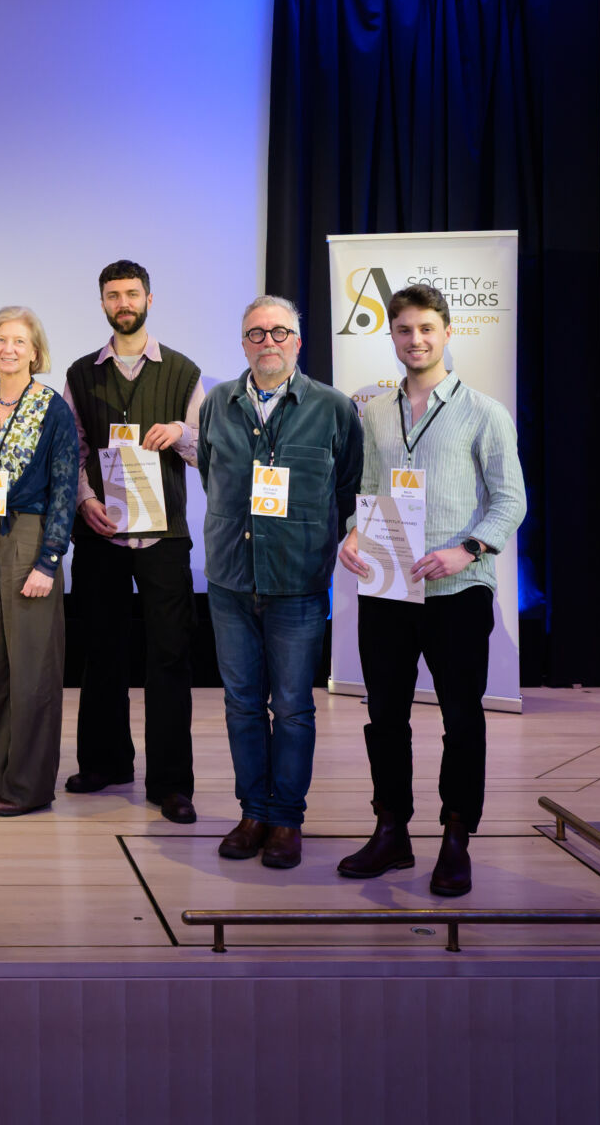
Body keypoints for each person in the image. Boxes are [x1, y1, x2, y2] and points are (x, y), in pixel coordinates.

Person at [336, 283, 526, 897]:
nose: (415, 340)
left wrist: (465, 549)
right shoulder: (377, 412)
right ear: (391, 336)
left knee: (462, 720)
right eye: (403, 330)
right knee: (385, 717)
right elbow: (366, 487)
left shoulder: (484, 412)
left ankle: (455, 838)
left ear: (447, 333)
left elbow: (510, 501)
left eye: (426, 329)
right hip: (389, 590)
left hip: (459, 591)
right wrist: (353, 537)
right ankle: (392, 832)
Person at [199, 295, 362, 870]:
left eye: (279, 332)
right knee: (242, 704)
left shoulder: (333, 408)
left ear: (299, 340)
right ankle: (253, 812)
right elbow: (212, 478)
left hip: (296, 580)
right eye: (255, 334)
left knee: (292, 708)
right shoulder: (218, 402)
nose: (267, 342)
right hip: (230, 580)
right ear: (242, 342)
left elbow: (348, 490)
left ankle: (287, 820)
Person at [62, 260, 207, 824]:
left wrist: (182, 434)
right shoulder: (79, 373)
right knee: (102, 651)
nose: (123, 303)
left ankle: (171, 782)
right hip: (100, 532)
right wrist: (83, 500)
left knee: (169, 656)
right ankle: (104, 763)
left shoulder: (185, 372)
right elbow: (70, 449)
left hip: (163, 535)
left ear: (150, 298)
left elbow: (207, 450)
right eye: (112, 296)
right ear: (102, 304)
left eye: (131, 293)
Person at [0, 308, 81, 817]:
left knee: (32, 668)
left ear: (34, 349)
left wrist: (49, 560)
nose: (8, 349)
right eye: (0, 340)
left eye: (18, 341)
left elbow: (66, 487)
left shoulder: (53, 409)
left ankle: (27, 786)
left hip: (30, 535)